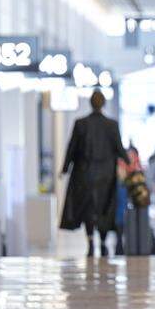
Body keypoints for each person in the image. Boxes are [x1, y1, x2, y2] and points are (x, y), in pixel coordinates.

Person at [60, 90, 128, 258]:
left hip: (84, 174)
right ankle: (103, 241)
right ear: (103, 103)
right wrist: (128, 163)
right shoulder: (111, 125)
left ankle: (91, 241)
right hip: (106, 175)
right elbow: (119, 148)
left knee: (88, 208)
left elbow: (72, 148)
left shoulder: (80, 124)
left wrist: (64, 168)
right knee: (104, 208)